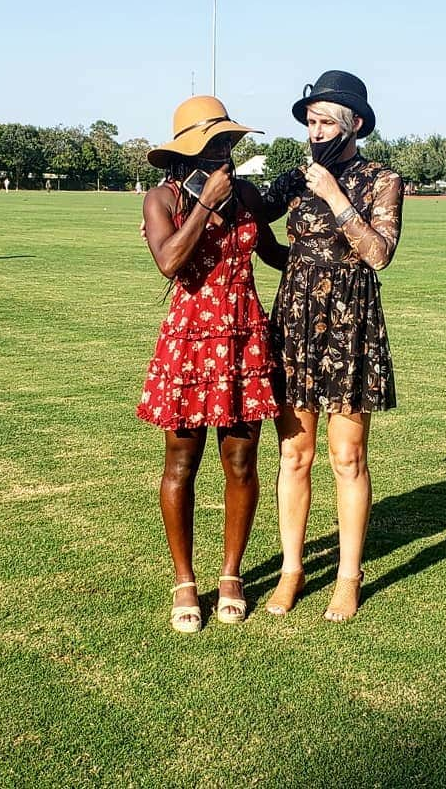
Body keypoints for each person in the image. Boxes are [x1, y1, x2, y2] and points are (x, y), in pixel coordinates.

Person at [138, 96, 288, 633]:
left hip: (246, 337)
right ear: (189, 150)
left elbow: (272, 251)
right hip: (191, 342)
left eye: (229, 142)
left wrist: (335, 261)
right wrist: (206, 205)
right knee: (181, 464)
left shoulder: (245, 193)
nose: (226, 151)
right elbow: (169, 261)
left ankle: (231, 575)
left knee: (242, 463)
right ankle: (183, 579)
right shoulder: (163, 199)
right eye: (215, 143)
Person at [260, 71, 403, 621]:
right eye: (310, 122)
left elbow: (378, 254)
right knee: (295, 453)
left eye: (324, 122)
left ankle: (348, 577)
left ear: (354, 125)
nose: (314, 132)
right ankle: (292, 571)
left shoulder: (382, 180)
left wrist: (335, 196)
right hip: (296, 316)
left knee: (348, 456)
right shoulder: (294, 178)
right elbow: (270, 234)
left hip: (350, 323)